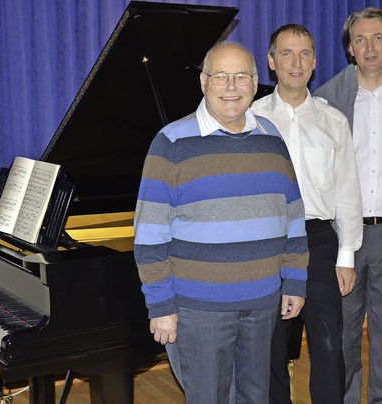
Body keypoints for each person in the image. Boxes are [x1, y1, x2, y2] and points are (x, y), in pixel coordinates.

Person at [133, 41, 309, 403]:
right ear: (203, 82)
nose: (232, 86)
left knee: (254, 396)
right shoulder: (170, 144)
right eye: (220, 76)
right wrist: (161, 307)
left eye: (241, 76)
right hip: (200, 308)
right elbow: (149, 237)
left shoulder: (272, 139)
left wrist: (295, 280)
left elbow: (293, 217)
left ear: (256, 81)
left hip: (262, 302)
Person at [313, 7, 382, 403]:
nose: (370, 47)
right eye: (360, 40)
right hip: (344, 234)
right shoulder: (326, 100)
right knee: (343, 329)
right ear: (350, 49)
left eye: (378, 38)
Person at [251, 24, 362, 404]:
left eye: (303, 54)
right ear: (271, 62)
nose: (295, 63)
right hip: (267, 240)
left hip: (318, 239)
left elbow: (348, 192)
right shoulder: (251, 119)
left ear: (314, 62)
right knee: (270, 348)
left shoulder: (334, 122)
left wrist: (346, 256)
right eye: (286, 53)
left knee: (329, 344)